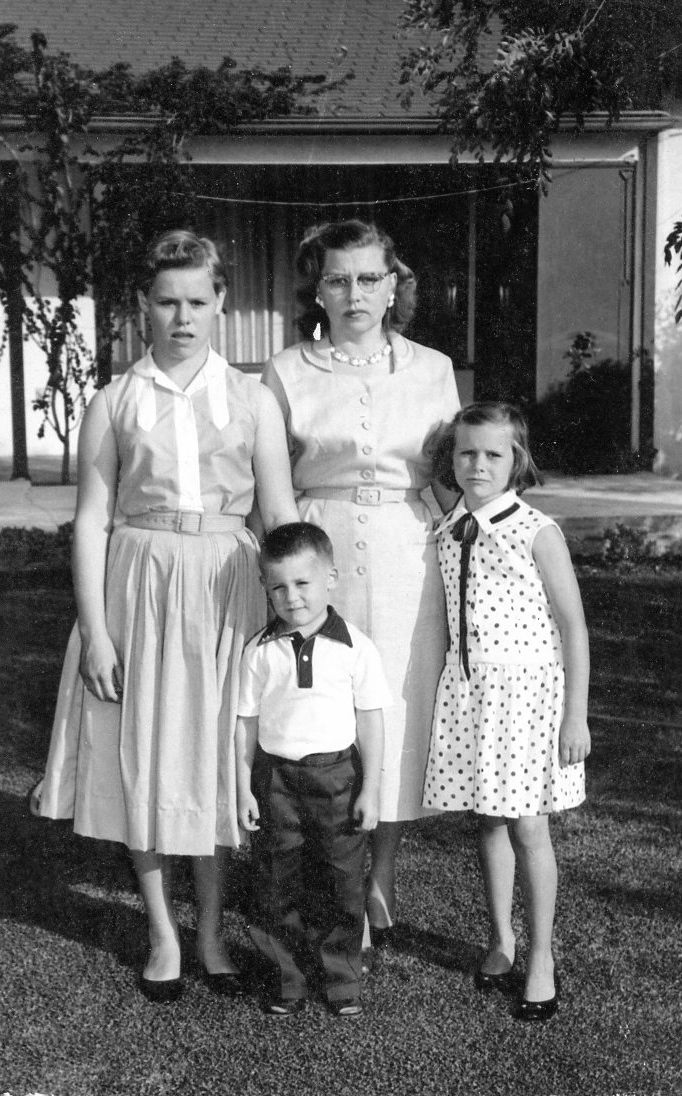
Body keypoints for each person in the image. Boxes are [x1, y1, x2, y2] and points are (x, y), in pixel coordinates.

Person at [36, 229, 298, 1002]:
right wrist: (96, 631)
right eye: (166, 302)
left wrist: (298, 615)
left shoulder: (253, 399)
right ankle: (162, 932)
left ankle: (211, 931)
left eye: (197, 301)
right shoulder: (115, 401)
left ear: (221, 303)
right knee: (145, 754)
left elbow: (280, 513)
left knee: (215, 756)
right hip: (139, 588)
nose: (183, 318)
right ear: (143, 306)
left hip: (227, 588)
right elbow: (92, 519)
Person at [261, 220, 460, 948]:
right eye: (338, 279)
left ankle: (381, 878)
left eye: (370, 278)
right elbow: (274, 490)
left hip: (409, 558)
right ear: (317, 289)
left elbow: (451, 478)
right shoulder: (287, 371)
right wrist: (296, 575)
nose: (355, 294)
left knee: (395, 711)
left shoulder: (433, 368)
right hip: (324, 549)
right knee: (325, 708)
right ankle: (331, 876)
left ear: (393, 284)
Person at [422, 402, 591, 1022]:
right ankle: (501, 938)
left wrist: (576, 715)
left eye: (493, 454)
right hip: (470, 693)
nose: (478, 465)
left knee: (527, 826)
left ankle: (541, 956)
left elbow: (573, 626)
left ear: (517, 460)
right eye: (466, 453)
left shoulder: (536, 530)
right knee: (488, 821)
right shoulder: (451, 524)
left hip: (525, 699)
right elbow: (429, 473)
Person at [236, 522, 389, 1017]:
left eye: (303, 583)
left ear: (331, 579)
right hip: (276, 780)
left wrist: (371, 789)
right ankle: (286, 977)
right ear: (266, 587)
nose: (292, 597)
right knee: (275, 881)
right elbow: (245, 723)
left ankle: (341, 979)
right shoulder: (259, 651)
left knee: (341, 881)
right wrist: (243, 788)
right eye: (278, 587)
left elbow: (371, 721)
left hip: (337, 778)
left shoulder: (355, 647)